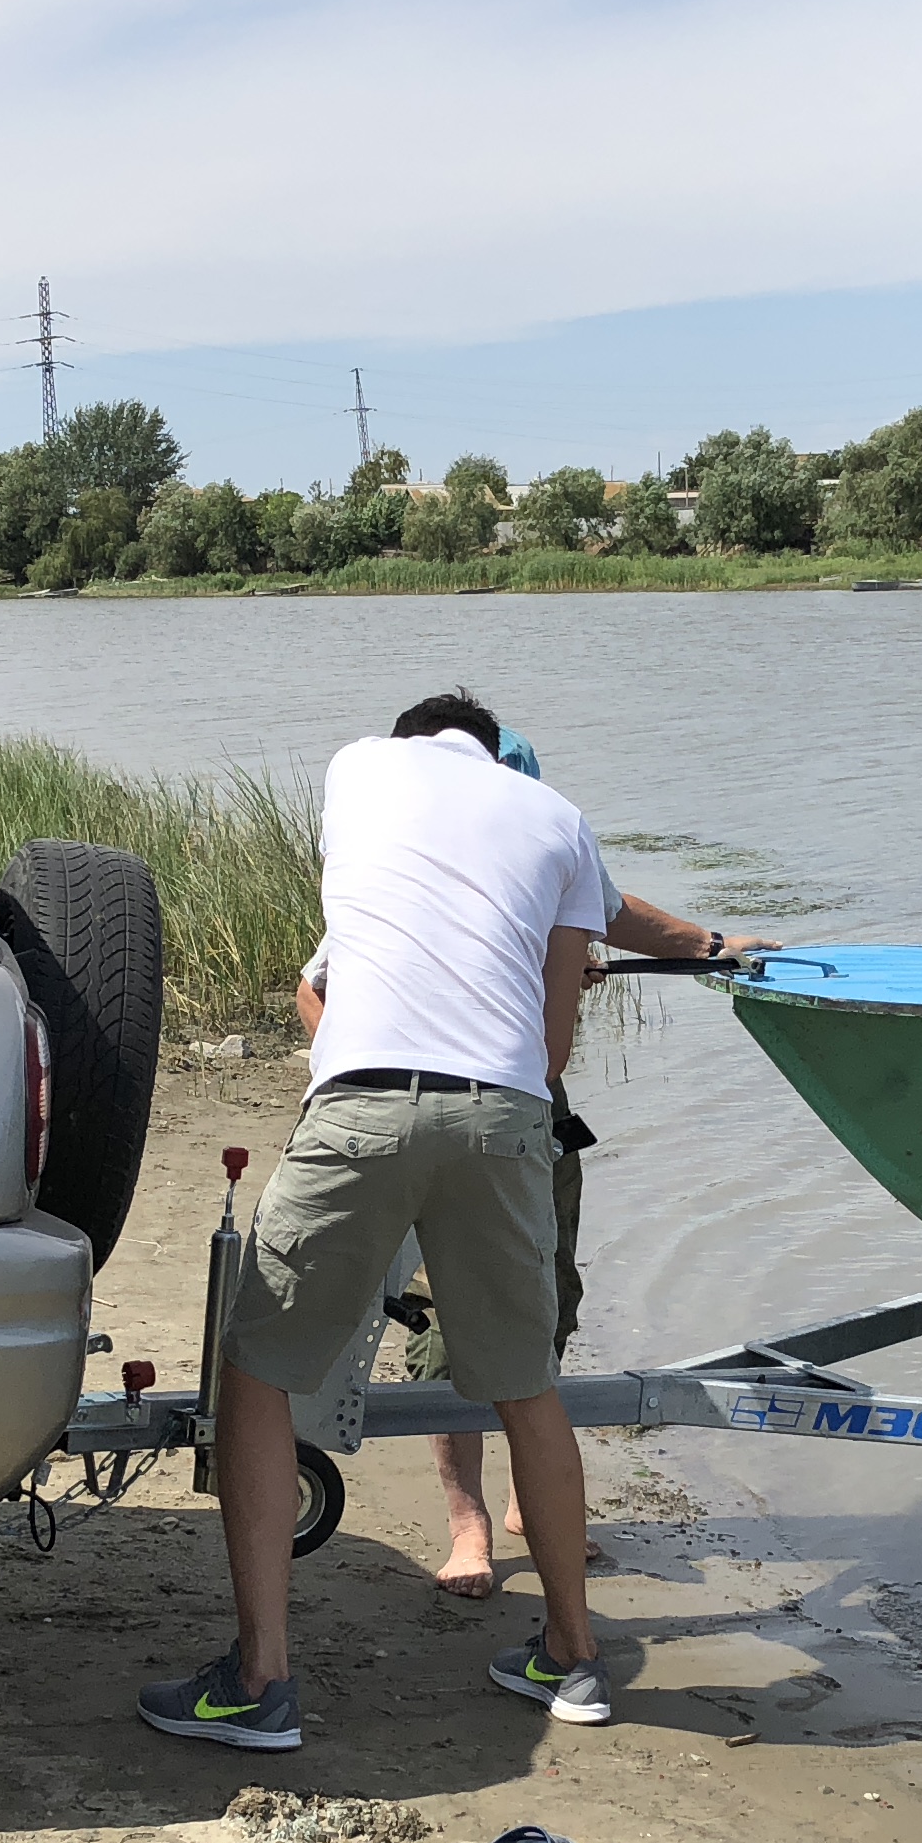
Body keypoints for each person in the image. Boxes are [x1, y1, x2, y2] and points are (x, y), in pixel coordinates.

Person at [139, 689, 617, 1750]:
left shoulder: (359, 767)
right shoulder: (564, 821)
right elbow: (553, 1047)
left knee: (259, 1371)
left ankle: (261, 1681)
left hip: (362, 1103)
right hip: (506, 1116)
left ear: (414, 742)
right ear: (499, 754)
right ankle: (574, 1658)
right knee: (526, 1385)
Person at [316, 726, 734, 1597]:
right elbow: (314, 987)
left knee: (545, 1308)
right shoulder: (408, 873)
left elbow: (608, 919)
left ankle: (526, 1503)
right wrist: (352, 1077)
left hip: (532, 1123)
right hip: (432, 1118)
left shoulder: (542, 852)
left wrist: (701, 947)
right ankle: (467, 1522)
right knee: (440, 1326)